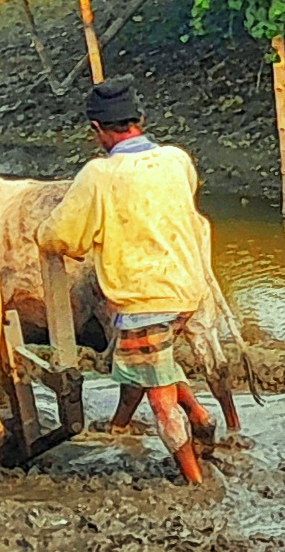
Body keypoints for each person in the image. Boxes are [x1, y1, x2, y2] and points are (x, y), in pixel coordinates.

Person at [39, 81, 223, 482]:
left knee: (159, 401)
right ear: (140, 120)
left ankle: (194, 481)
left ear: (98, 129)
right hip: (187, 288)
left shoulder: (99, 175)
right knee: (156, 365)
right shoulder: (177, 160)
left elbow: (61, 237)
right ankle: (200, 414)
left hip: (143, 300)